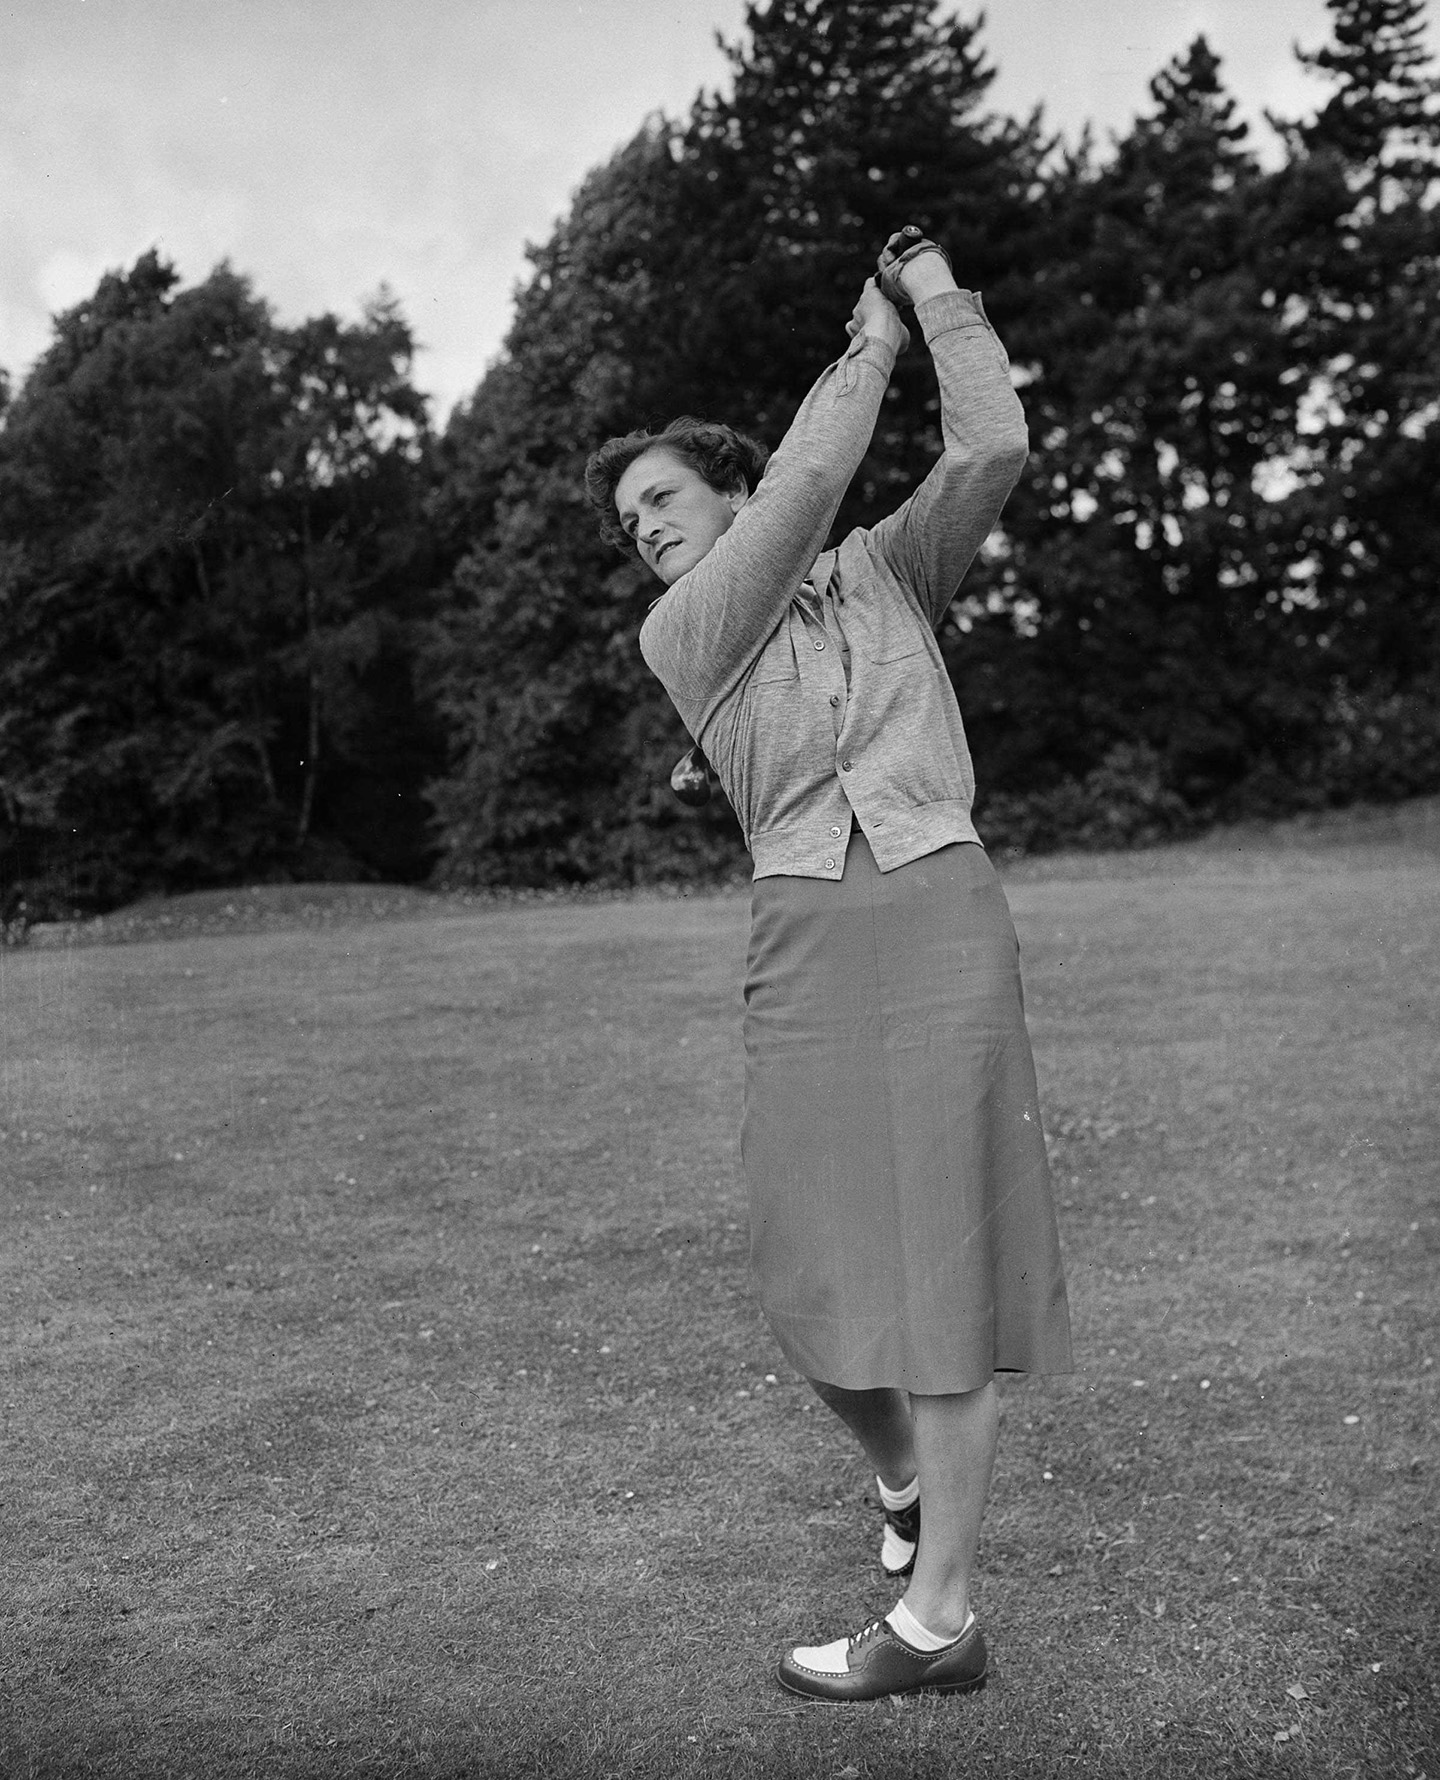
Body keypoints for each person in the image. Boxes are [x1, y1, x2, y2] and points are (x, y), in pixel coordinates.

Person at [583, 230, 1072, 1702]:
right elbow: (804, 489)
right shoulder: (688, 630)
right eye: (630, 520)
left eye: (663, 498)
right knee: (810, 1274)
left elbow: (992, 440)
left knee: (948, 1272)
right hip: (802, 935)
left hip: (940, 911)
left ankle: (940, 1619)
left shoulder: (890, 574)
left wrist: (930, 295)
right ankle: (905, 1478)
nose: (647, 529)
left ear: (719, 484)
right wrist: (863, 348)